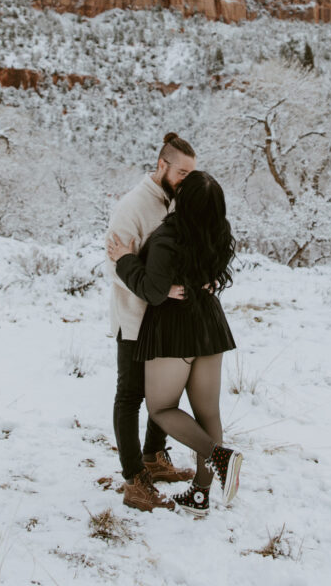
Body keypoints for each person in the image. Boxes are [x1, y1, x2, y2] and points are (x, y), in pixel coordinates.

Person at [107, 170, 242, 516]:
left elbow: (152, 291)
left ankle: (218, 456)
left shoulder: (169, 237)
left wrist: (124, 259)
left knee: (161, 408)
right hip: (210, 325)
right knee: (207, 411)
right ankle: (200, 493)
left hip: (174, 329)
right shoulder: (220, 232)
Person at [105, 133, 197, 512]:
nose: (186, 179)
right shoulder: (133, 206)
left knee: (165, 394)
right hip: (135, 318)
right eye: (181, 172)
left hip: (167, 320)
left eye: (192, 173)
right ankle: (134, 481)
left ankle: (155, 458)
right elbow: (115, 265)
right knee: (131, 396)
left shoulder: (177, 202)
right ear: (161, 166)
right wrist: (161, 291)